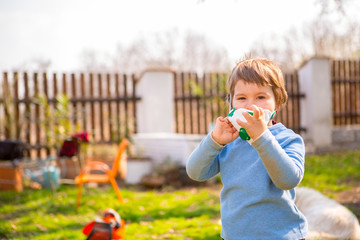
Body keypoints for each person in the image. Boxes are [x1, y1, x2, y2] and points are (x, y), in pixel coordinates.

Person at [186, 58, 307, 240]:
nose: (251, 106)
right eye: (241, 98)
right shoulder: (228, 142)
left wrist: (261, 137)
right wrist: (214, 140)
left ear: (278, 102)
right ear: (232, 104)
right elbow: (195, 172)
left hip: (282, 235)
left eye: (261, 97)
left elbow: (288, 180)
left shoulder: (288, 139)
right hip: (234, 236)